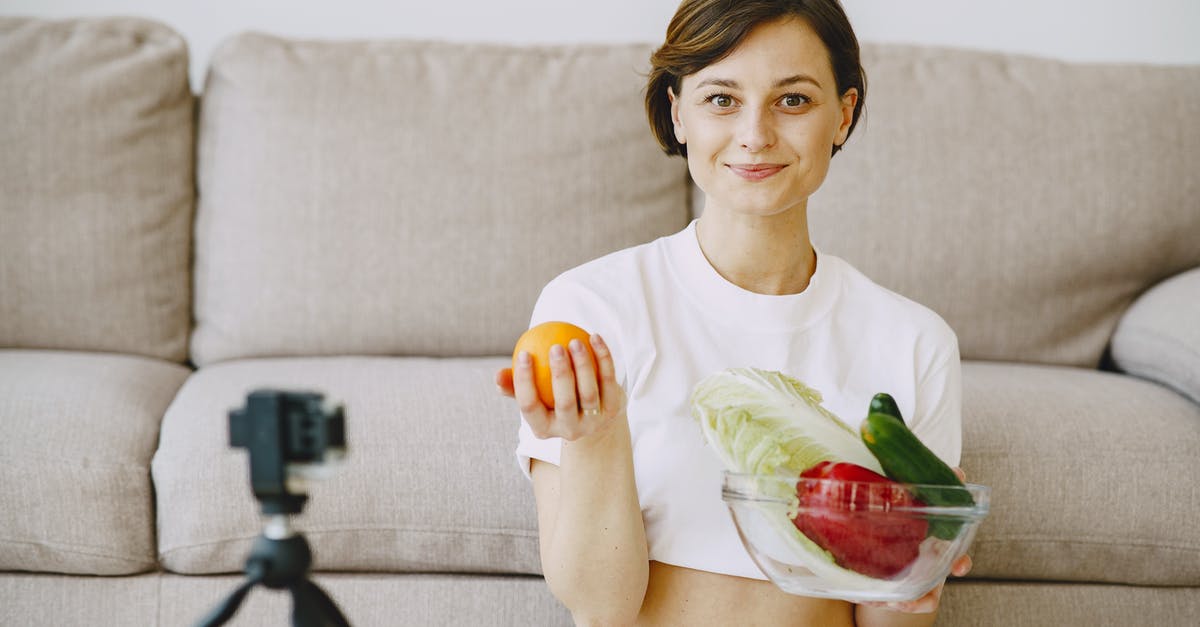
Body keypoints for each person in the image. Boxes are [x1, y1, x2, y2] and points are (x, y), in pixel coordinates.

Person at [495, 1, 970, 624]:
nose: (755, 134)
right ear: (678, 114)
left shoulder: (914, 342)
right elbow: (599, 606)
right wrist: (598, 437)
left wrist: (913, 568)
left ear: (843, 116)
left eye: (793, 100)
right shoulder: (590, 309)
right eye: (721, 99)